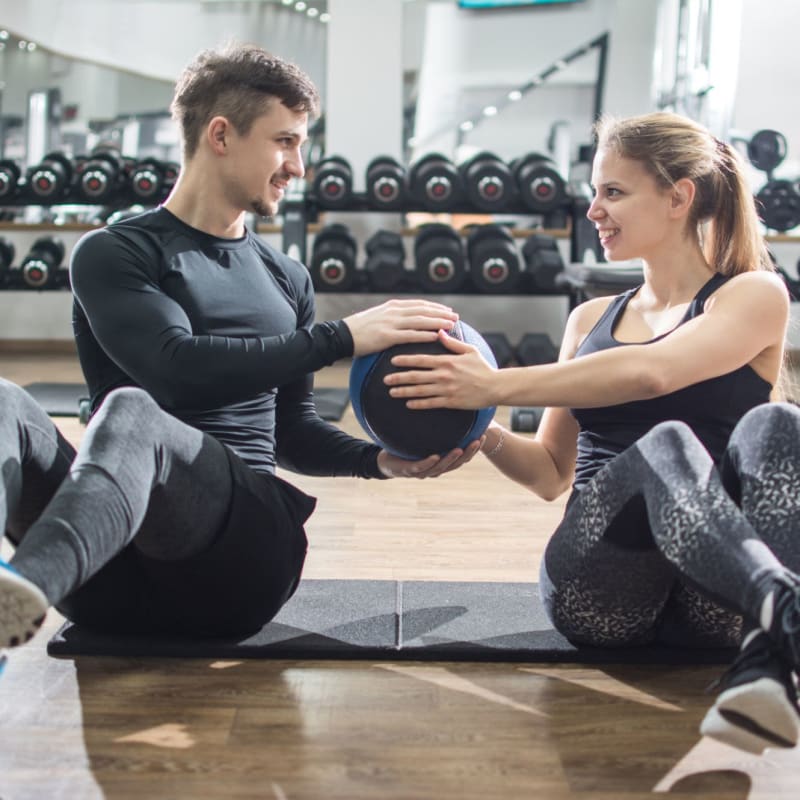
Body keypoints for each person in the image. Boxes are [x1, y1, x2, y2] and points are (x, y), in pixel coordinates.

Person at [0, 42, 482, 657]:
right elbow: (175, 371)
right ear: (221, 135)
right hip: (108, 577)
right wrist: (341, 337)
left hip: (237, 562)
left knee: (129, 412)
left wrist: (378, 461)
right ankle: (16, 594)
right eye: (285, 142)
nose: (298, 166)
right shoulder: (116, 253)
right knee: (10, 403)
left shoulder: (286, 277)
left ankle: (26, 587)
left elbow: (291, 429)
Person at [385, 111, 800, 754]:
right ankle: (785, 614)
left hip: (713, 600)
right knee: (663, 448)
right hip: (600, 588)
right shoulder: (588, 319)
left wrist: (492, 383)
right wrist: (478, 424)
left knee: (781, 423)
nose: (592, 210)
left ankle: (766, 645)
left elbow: (654, 373)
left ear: (678, 197)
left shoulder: (753, 294)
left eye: (613, 191)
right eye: (593, 192)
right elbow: (551, 474)